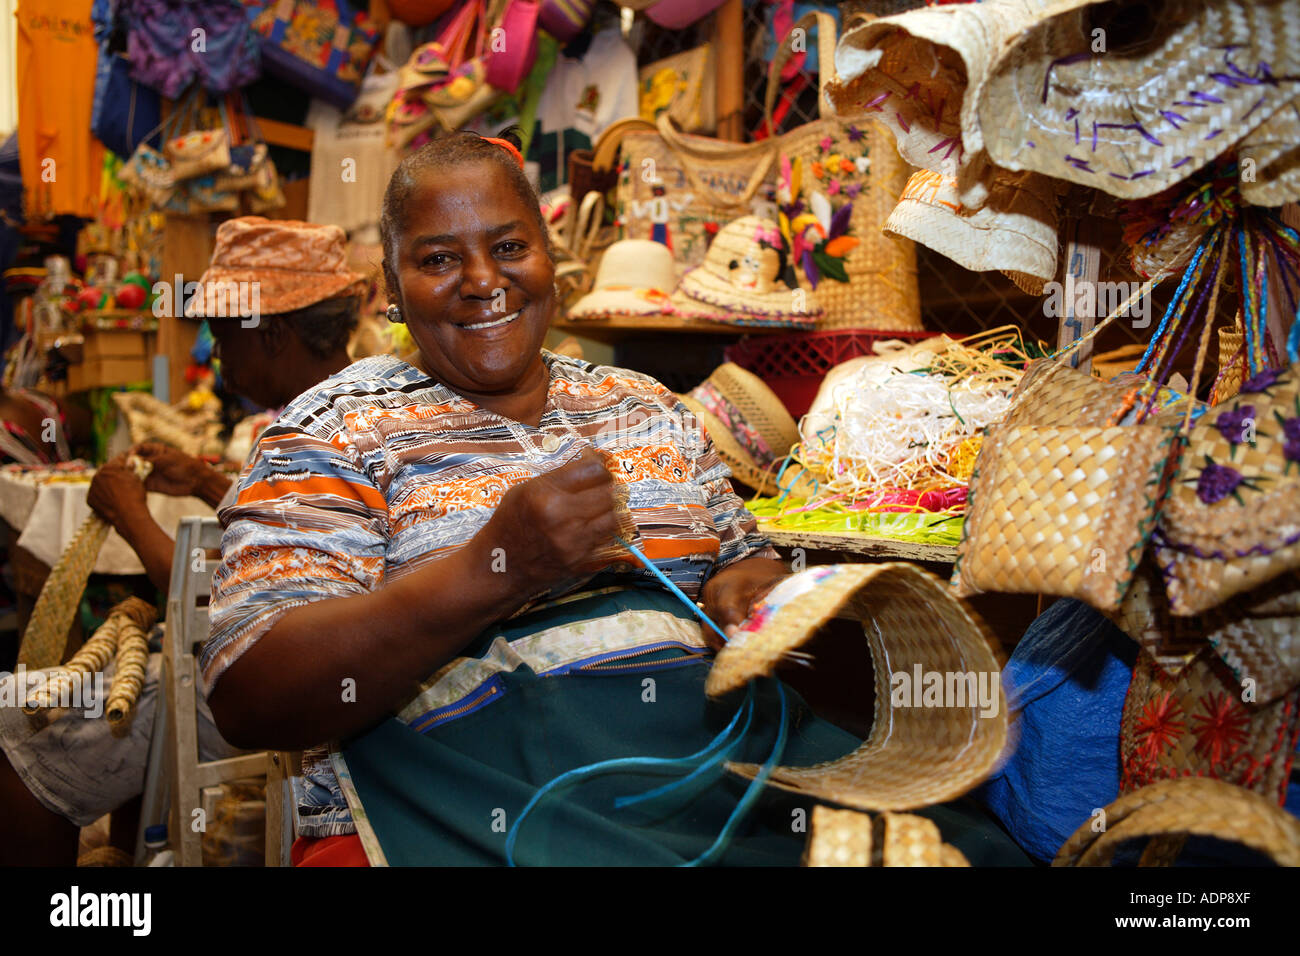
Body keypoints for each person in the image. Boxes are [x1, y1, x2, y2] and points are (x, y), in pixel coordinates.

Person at [204, 132, 1029, 867]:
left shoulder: (644, 406)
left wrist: (747, 597)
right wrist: (496, 568)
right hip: (479, 788)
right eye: (438, 259)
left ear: (550, 255)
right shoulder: (333, 429)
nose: (483, 281)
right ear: (393, 284)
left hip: (709, 758)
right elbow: (252, 691)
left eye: (507, 246)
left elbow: (741, 562)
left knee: (959, 845)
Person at [0, 217, 365, 866]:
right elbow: (292, 537)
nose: (217, 358)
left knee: (17, 726)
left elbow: (210, 614)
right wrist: (203, 479)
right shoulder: (358, 405)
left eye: (225, 339)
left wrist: (131, 514)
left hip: (261, 692)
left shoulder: (298, 438)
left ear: (273, 333)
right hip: (319, 681)